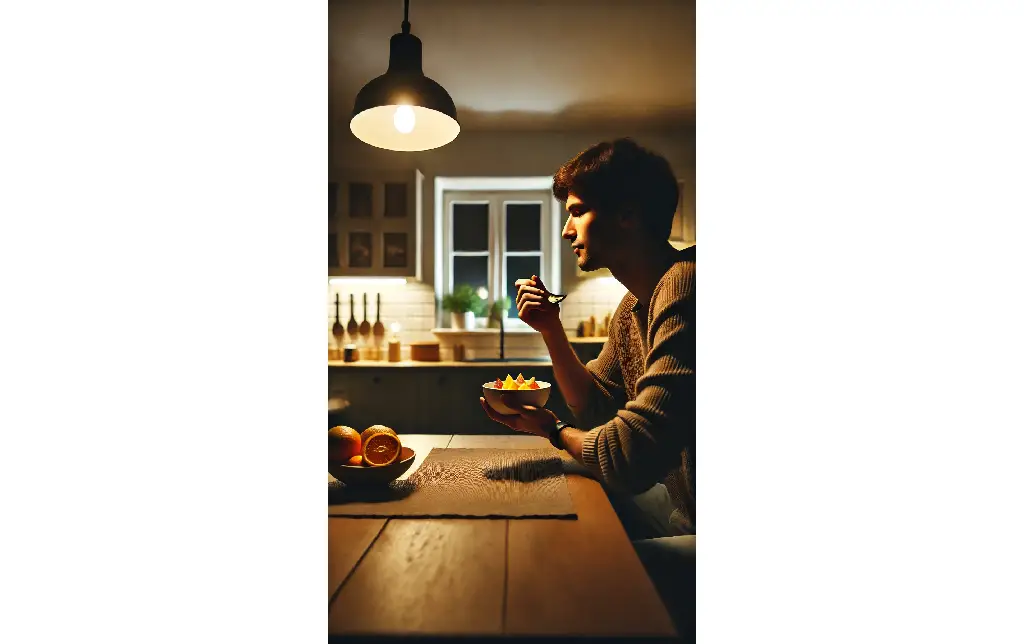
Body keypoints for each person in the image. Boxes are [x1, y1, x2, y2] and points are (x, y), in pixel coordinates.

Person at [479, 138, 695, 635]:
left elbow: (628, 454)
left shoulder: (686, 286)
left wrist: (553, 432)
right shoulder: (634, 307)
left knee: (565, 573)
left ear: (627, 215)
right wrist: (552, 331)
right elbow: (595, 407)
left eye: (577, 211)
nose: (565, 228)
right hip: (685, 509)